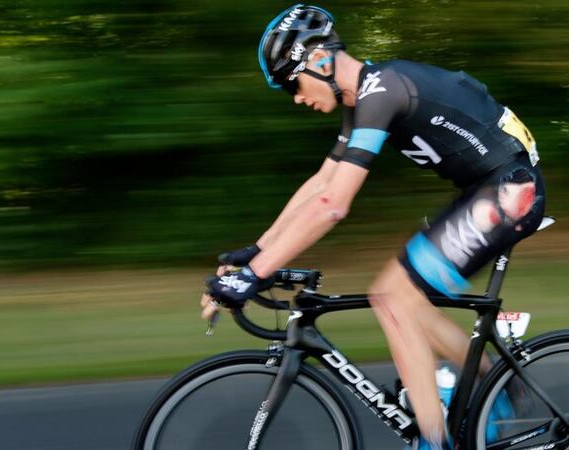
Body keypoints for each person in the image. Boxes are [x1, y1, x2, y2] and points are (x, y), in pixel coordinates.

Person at [200, 4, 545, 449]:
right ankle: (497, 388)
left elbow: (332, 205)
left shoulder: (384, 91)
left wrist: (256, 275)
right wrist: (256, 251)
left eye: (292, 84)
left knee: (393, 298)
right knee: (404, 298)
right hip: (484, 191)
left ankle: (437, 440)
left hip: (510, 191)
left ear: (320, 60)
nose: (297, 98)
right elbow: (320, 183)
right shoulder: (365, 98)